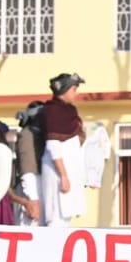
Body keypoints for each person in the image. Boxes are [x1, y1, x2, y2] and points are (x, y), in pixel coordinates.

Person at [39, 72, 86, 227]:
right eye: (73, 89)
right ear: (64, 90)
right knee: (56, 217)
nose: (76, 93)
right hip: (57, 172)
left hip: (69, 171)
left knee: (66, 218)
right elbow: (53, 145)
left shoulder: (70, 111)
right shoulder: (53, 111)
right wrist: (64, 176)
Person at [9, 101, 44, 225]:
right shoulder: (27, 135)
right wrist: (33, 199)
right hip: (31, 190)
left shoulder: (40, 135)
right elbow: (27, 168)